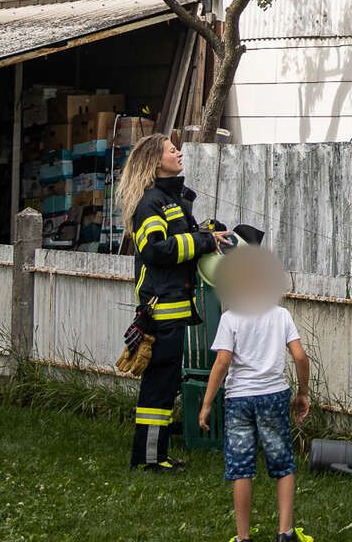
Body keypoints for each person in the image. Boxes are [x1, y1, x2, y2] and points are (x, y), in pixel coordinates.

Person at [117, 133, 236, 469]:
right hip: (162, 311)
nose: (179, 153)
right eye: (172, 150)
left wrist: (206, 232)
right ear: (156, 162)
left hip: (175, 310)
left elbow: (178, 239)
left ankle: (155, 455)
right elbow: (155, 250)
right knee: (159, 387)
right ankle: (149, 459)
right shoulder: (151, 203)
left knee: (166, 385)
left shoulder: (171, 200)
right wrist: (200, 241)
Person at [198, 246, 314, 542]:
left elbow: (222, 362)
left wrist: (207, 403)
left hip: (238, 399)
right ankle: (285, 532)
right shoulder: (281, 315)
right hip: (274, 395)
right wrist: (303, 392)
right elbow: (300, 357)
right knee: (283, 463)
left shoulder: (230, 318)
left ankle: (243, 536)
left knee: (241, 468)